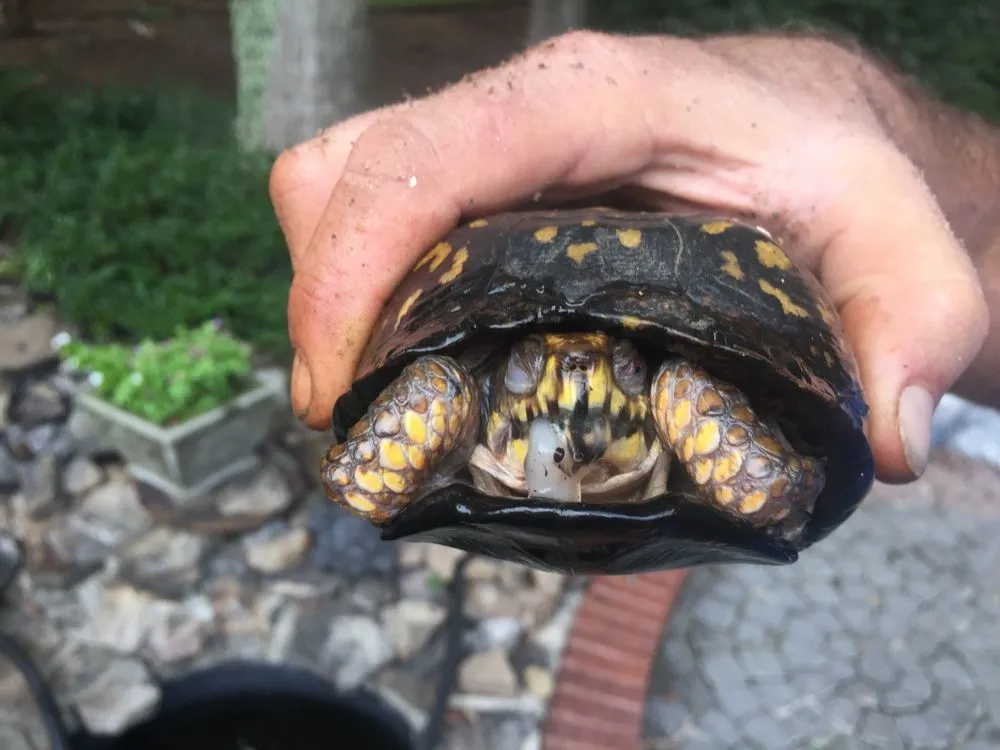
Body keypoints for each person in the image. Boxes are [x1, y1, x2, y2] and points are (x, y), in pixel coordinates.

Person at [268, 29, 999, 486]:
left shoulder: (680, 394)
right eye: (526, 365)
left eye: (624, 370)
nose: (578, 379)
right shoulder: (456, 397)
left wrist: (769, 476)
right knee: (436, 386)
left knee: (690, 390)